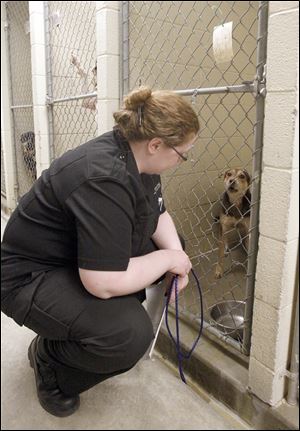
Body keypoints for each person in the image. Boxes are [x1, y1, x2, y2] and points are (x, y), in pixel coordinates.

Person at [1, 86, 200, 417]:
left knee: (171, 246)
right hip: (28, 276)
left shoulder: (139, 158)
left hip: (69, 257)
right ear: (156, 144)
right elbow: (102, 282)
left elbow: (159, 213)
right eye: (182, 154)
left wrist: (178, 256)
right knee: (129, 335)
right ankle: (50, 361)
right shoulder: (103, 177)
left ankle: (96, 325)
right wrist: (167, 259)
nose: (182, 161)